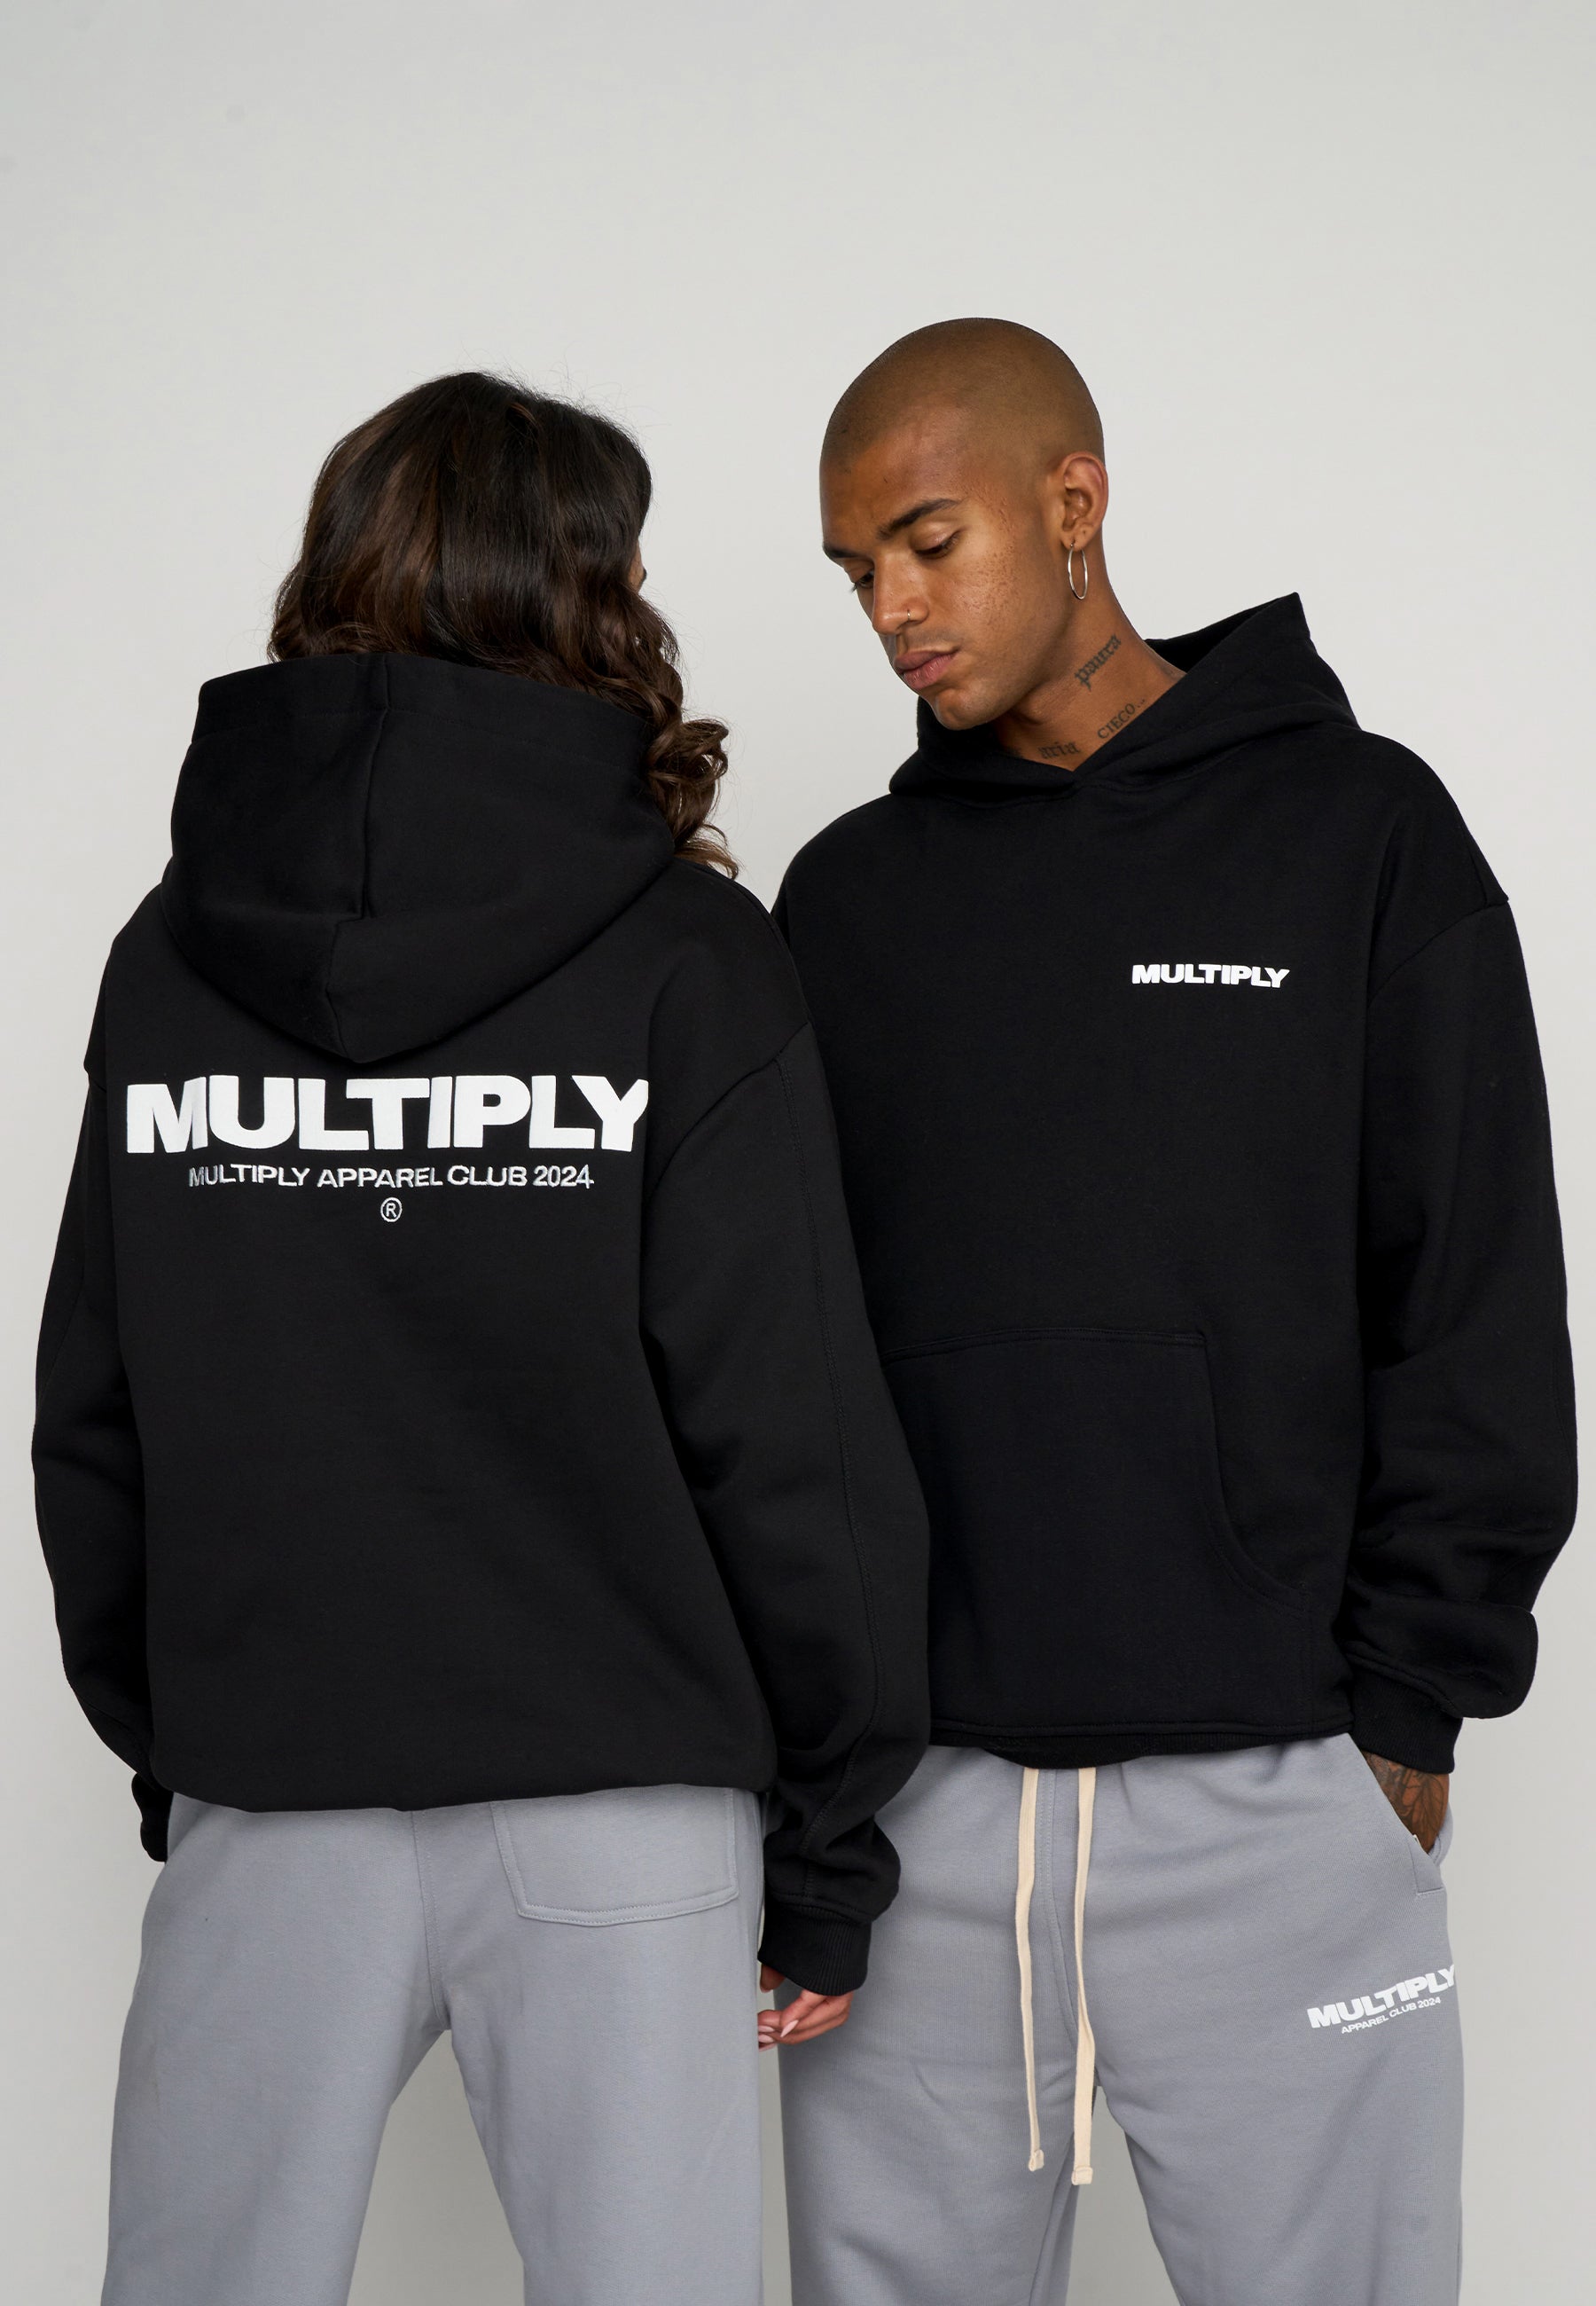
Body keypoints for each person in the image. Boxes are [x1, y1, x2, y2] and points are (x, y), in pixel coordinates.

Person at [32, 371, 929, 2306]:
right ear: (579, 589)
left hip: (273, 1788)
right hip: (624, 1807)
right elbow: (790, 1436)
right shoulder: (690, 961)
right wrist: (831, 1840)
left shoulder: (167, 957)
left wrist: (192, 1743)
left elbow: (91, 1416)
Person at [769, 319, 1576, 2305]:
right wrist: (814, 1767)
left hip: (1281, 1797)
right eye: (856, 573)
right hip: (917, 1828)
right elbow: (777, 1356)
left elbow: (1472, 1278)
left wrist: (1412, 1695)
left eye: (928, 544)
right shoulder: (846, 904)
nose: (891, 611)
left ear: (1076, 501)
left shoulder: (1363, 837)